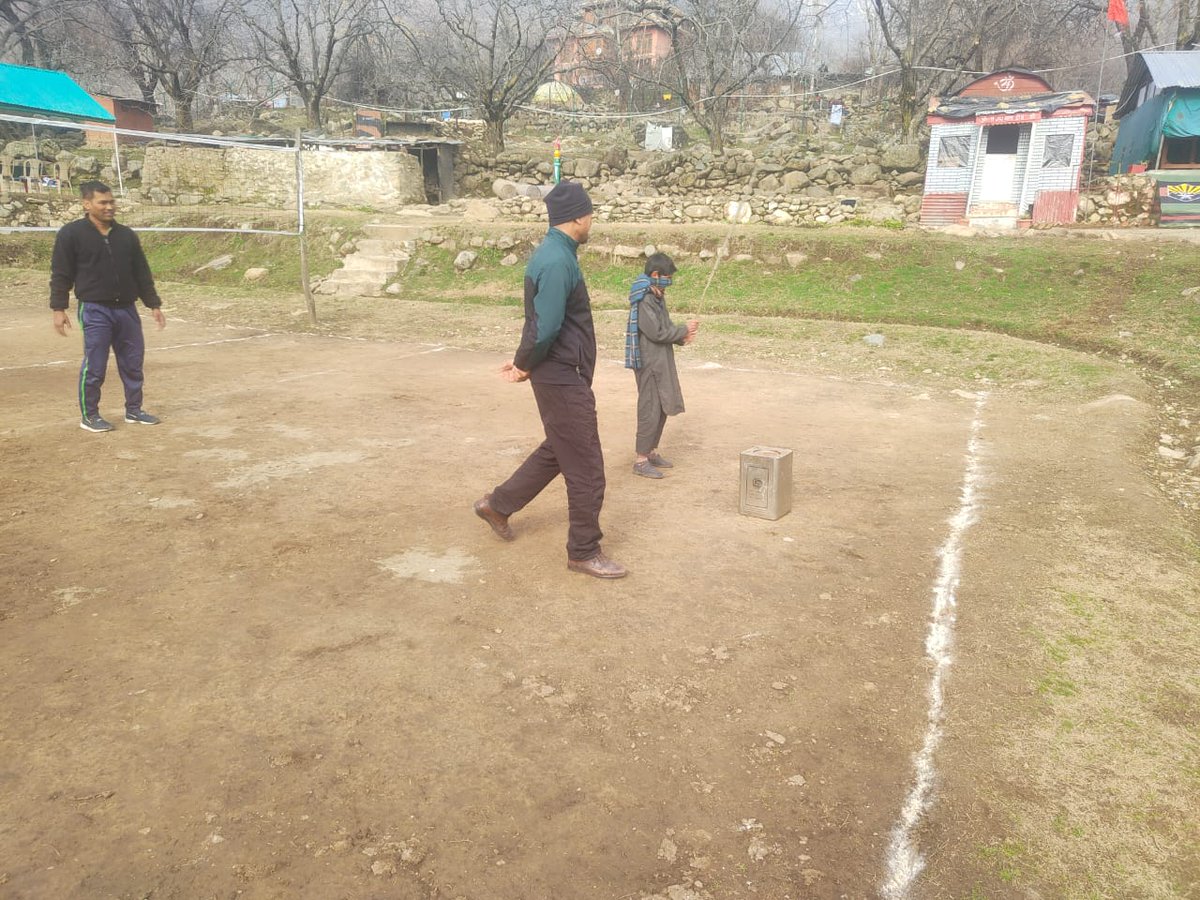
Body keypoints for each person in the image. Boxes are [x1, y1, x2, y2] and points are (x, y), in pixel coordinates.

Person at [473, 181, 627, 579]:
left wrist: (528, 361)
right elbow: (545, 326)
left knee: (559, 450)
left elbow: (541, 322)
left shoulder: (557, 254)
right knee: (587, 468)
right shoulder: (558, 261)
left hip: (558, 373)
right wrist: (525, 362)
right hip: (562, 378)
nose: (592, 220)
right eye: (590, 213)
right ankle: (583, 550)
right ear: (577, 216)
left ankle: (498, 505)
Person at [50, 181, 165, 433]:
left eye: (112, 201)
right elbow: (61, 273)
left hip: (127, 310)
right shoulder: (71, 234)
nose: (109, 207)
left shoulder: (126, 235)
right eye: (103, 202)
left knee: (133, 363)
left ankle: (134, 410)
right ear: (87, 204)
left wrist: (153, 304)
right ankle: (90, 415)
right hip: (94, 309)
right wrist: (59, 308)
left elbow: (141, 272)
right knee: (95, 365)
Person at [625, 253, 698, 479]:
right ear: (655, 275)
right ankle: (640, 460)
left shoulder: (657, 295)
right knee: (650, 407)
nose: (669, 282)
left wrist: (682, 335)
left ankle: (651, 451)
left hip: (660, 358)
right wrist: (683, 330)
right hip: (649, 362)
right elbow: (655, 332)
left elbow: (664, 327)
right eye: (667, 277)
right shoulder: (645, 298)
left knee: (663, 405)